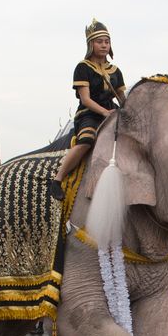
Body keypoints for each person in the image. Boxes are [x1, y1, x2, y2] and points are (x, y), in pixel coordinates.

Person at [49, 19, 126, 201]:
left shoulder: (115, 70)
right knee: (86, 141)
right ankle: (58, 179)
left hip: (112, 113)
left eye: (106, 42)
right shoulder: (83, 68)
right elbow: (86, 99)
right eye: (100, 42)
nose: (104, 45)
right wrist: (104, 113)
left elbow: (122, 98)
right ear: (91, 44)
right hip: (89, 113)